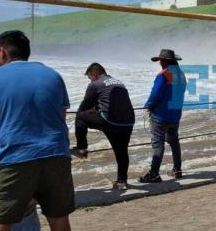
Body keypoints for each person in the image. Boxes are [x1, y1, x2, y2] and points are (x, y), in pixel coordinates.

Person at [0, 30, 76, 231]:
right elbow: (61, 116)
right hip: (56, 154)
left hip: (15, 158)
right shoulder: (52, 75)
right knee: (59, 219)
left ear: (3, 52)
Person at [71, 63, 135, 190]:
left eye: (89, 78)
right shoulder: (119, 82)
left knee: (81, 117)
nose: (90, 81)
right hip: (128, 121)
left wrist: (78, 116)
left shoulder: (95, 84)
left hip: (110, 121)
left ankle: (81, 149)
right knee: (121, 151)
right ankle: (121, 181)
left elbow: (85, 105)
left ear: (94, 75)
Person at [138, 49, 187, 183]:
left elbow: (156, 93)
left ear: (165, 61)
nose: (160, 63)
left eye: (161, 61)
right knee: (174, 141)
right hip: (175, 114)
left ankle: (154, 173)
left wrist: (149, 106)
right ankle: (177, 170)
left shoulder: (164, 75)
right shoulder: (181, 75)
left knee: (158, 143)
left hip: (161, 115)